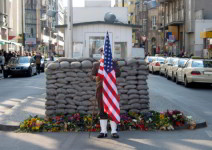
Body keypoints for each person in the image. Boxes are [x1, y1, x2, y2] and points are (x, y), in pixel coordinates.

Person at [92, 47, 121, 139]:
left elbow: (119, 73)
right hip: (100, 90)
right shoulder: (97, 64)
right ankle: (103, 131)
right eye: (102, 52)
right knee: (102, 110)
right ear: (100, 53)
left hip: (111, 90)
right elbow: (92, 75)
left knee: (112, 109)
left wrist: (110, 70)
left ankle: (113, 131)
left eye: (106, 52)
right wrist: (97, 78)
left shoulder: (113, 63)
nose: (104, 53)